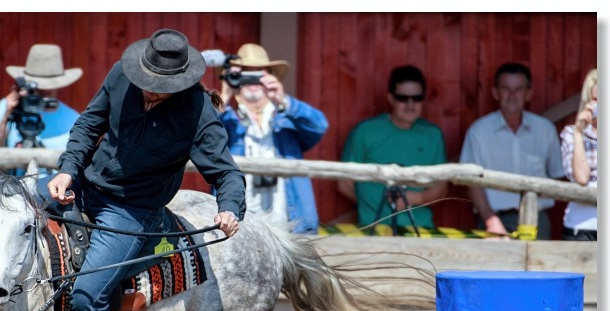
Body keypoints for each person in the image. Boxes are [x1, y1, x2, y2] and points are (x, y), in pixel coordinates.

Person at [44, 29, 246, 311]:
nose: (149, 92)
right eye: (146, 84)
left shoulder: (198, 113)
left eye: (159, 89)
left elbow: (225, 172)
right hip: (84, 185)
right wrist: (67, 171)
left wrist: (229, 209)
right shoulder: (121, 76)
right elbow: (88, 126)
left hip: (132, 211)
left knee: (88, 294)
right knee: (10, 215)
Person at [218, 43, 327, 234]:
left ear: (270, 76)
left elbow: (319, 126)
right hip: (242, 226)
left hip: (291, 222)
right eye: (245, 74)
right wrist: (224, 95)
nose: (252, 82)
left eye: (258, 74)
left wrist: (282, 99)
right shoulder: (225, 119)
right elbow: (198, 136)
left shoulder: (288, 117)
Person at [459, 62, 565, 239]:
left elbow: (557, 175)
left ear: (528, 93)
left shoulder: (545, 129)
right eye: (506, 89)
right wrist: (491, 220)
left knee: (538, 267)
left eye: (518, 89)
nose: (512, 95)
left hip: (537, 221)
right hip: (494, 220)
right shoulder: (479, 131)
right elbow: (471, 182)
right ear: (495, 92)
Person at [337, 65, 447, 232]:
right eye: (403, 98)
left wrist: (417, 197)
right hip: (374, 230)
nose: (410, 104)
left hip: (420, 230)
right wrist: (373, 203)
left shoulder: (433, 135)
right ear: (391, 98)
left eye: (416, 98)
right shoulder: (366, 131)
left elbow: (441, 187)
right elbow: (344, 183)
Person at [0, 44, 82, 151]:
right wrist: (6, 116)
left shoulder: (75, 120)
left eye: (49, 86)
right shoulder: (10, 106)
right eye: (39, 86)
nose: (44, 90)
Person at [559, 69, 597, 241]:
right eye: (596, 100)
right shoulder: (570, 134)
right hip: (582, 227)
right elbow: (581, 178)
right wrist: (578, 133)